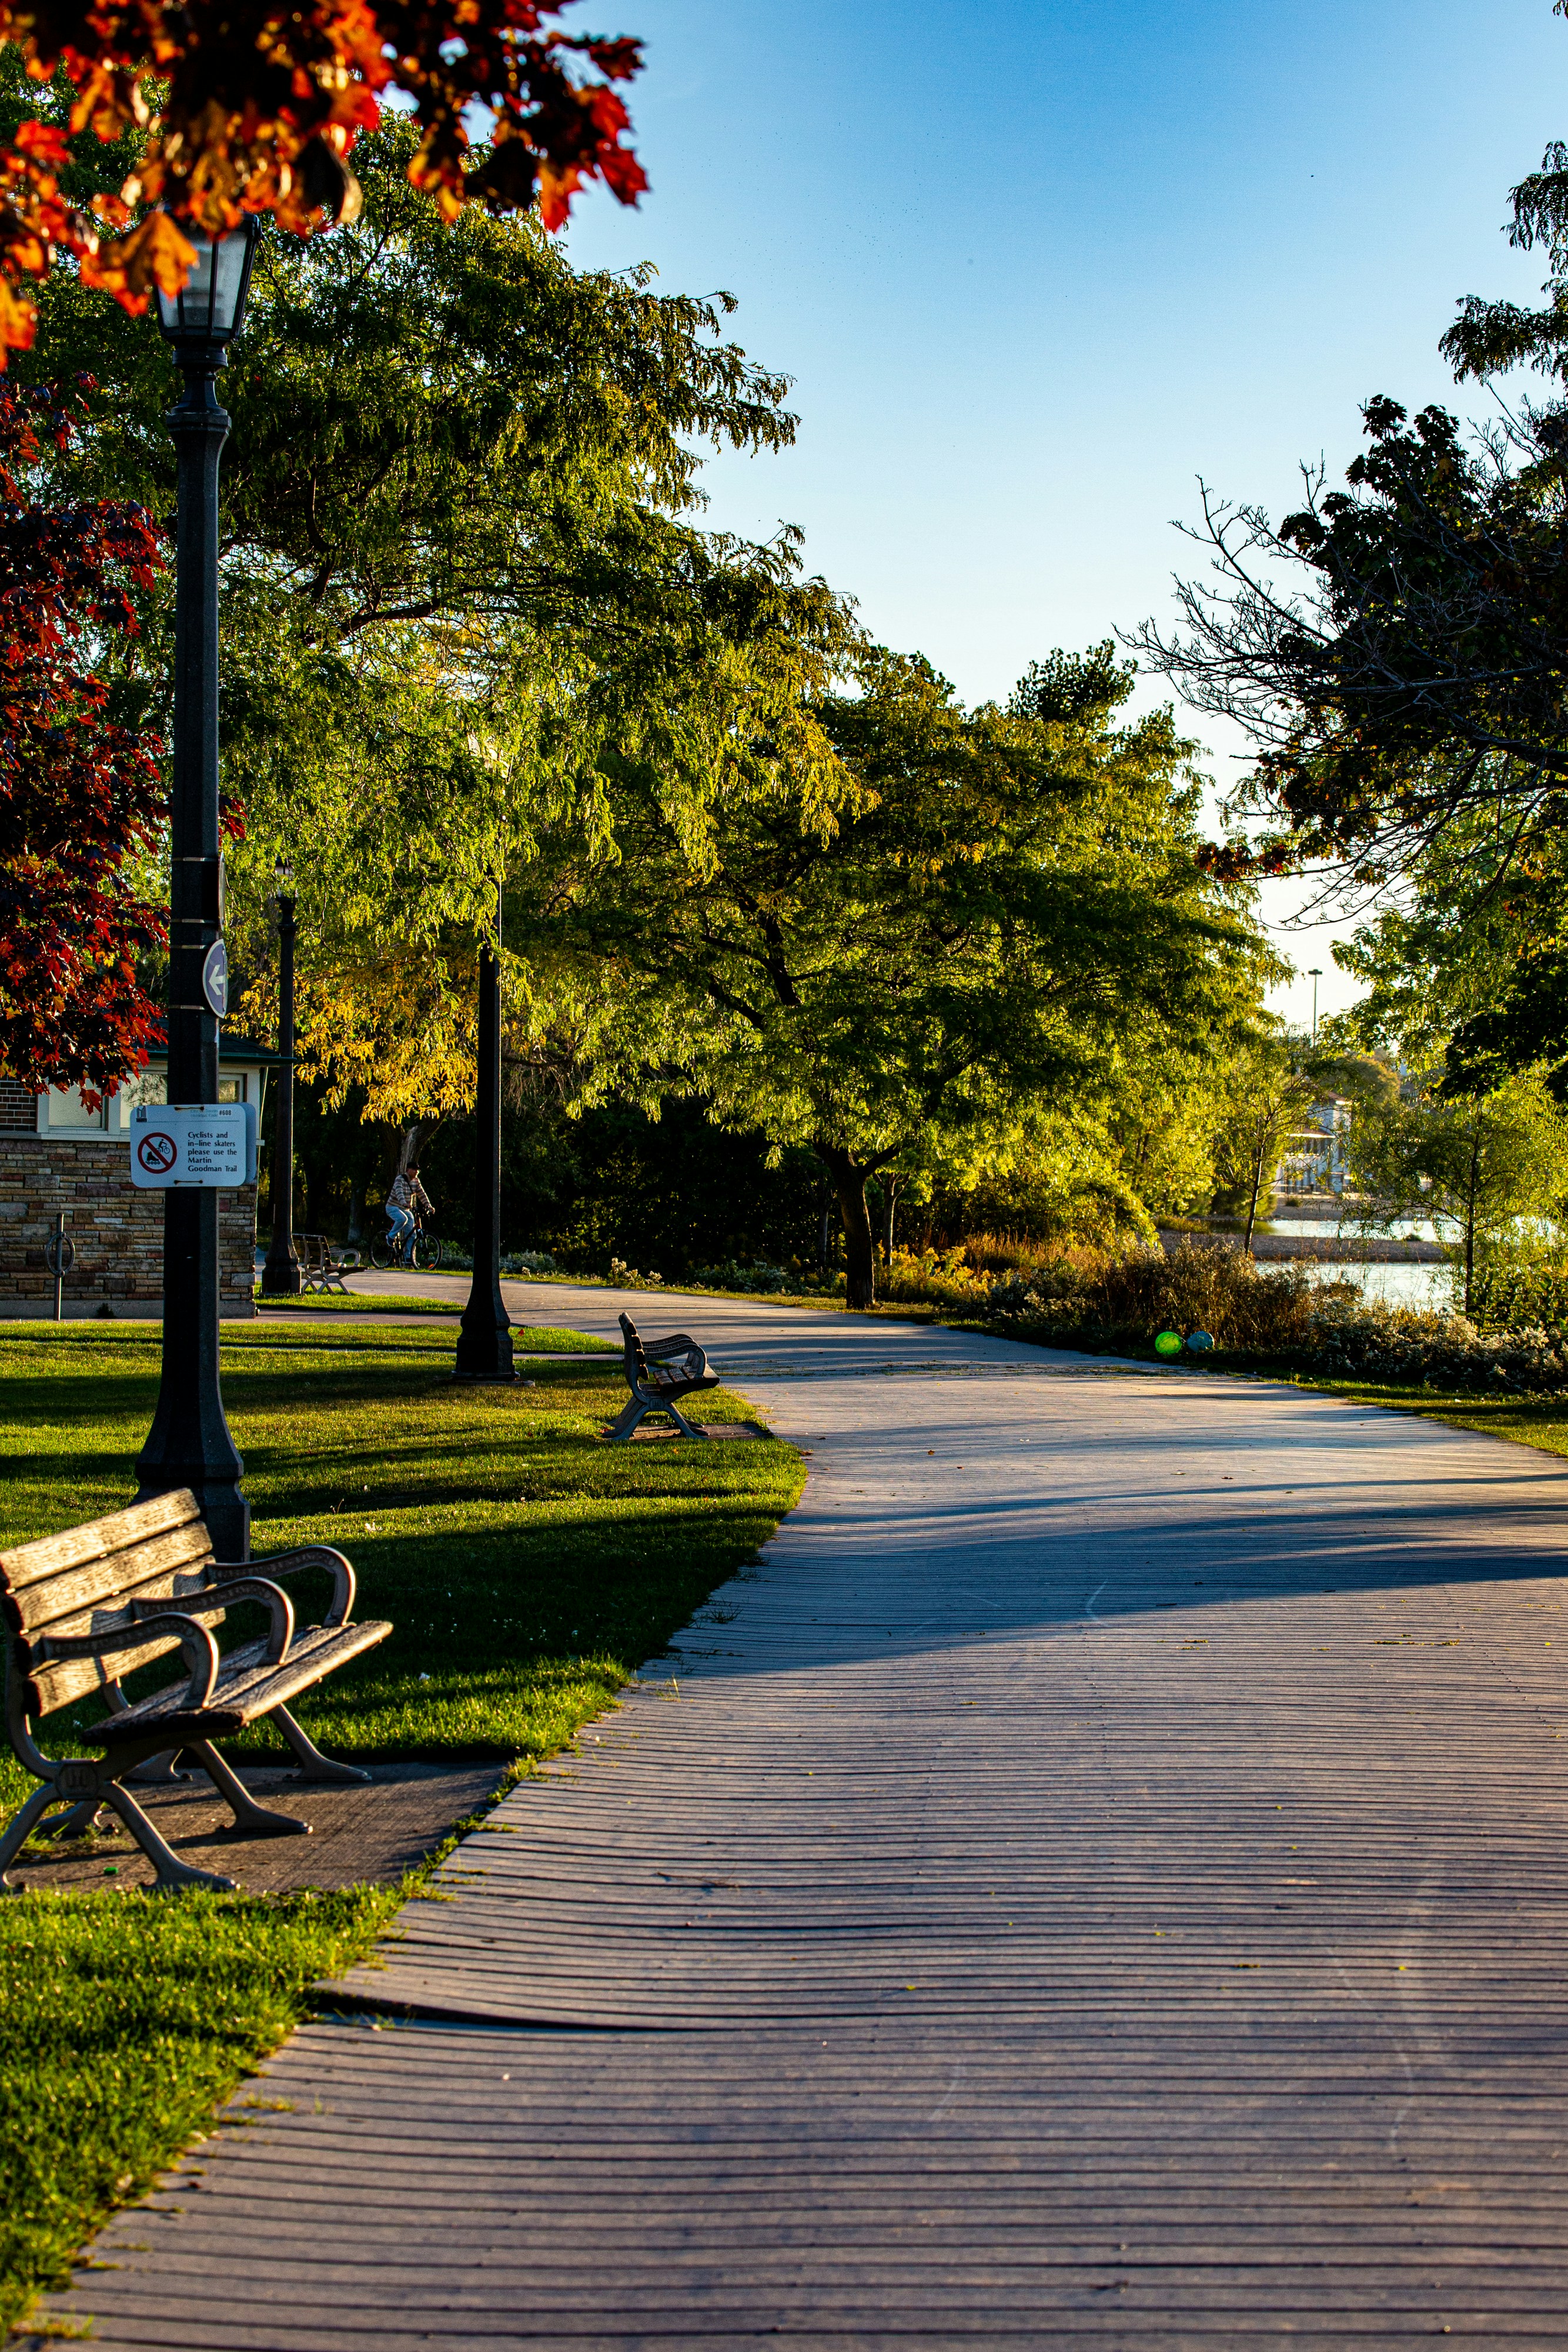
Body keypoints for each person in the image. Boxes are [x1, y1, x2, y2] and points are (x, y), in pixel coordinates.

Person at [385, 1162, 432, 1265]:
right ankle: (390, 1236)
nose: (416, 1172)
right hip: (393, 1207)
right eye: (414, 1169)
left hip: (406, 1210)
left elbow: (422, 1194)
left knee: (412, 1233)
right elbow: (399, 1192)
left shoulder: (416, 1181)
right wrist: (404, 1203)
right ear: (408, 1170)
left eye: (418, 1170)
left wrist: (428, 1205)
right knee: (403, 1219)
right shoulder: (400, 1179)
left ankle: (408, 1258)